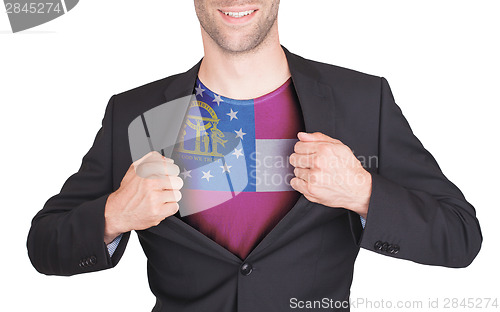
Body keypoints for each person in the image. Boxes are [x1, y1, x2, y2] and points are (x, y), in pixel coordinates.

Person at [27, 1, 482, 311]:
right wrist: (114, 214)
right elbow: (44, 245)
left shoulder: (362, 101)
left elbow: (460, 236)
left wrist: (363, 192)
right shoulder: (136, 113)